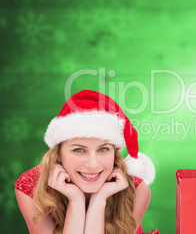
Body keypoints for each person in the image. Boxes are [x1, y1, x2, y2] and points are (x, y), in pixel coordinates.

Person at [14, 90, 159, 234]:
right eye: (79, 150)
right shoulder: (31, 187)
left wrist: (99, 200)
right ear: (58, 154)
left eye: (103, 150)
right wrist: (76, 201)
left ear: (114, 154)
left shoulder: (137, 190)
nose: (93, 164)